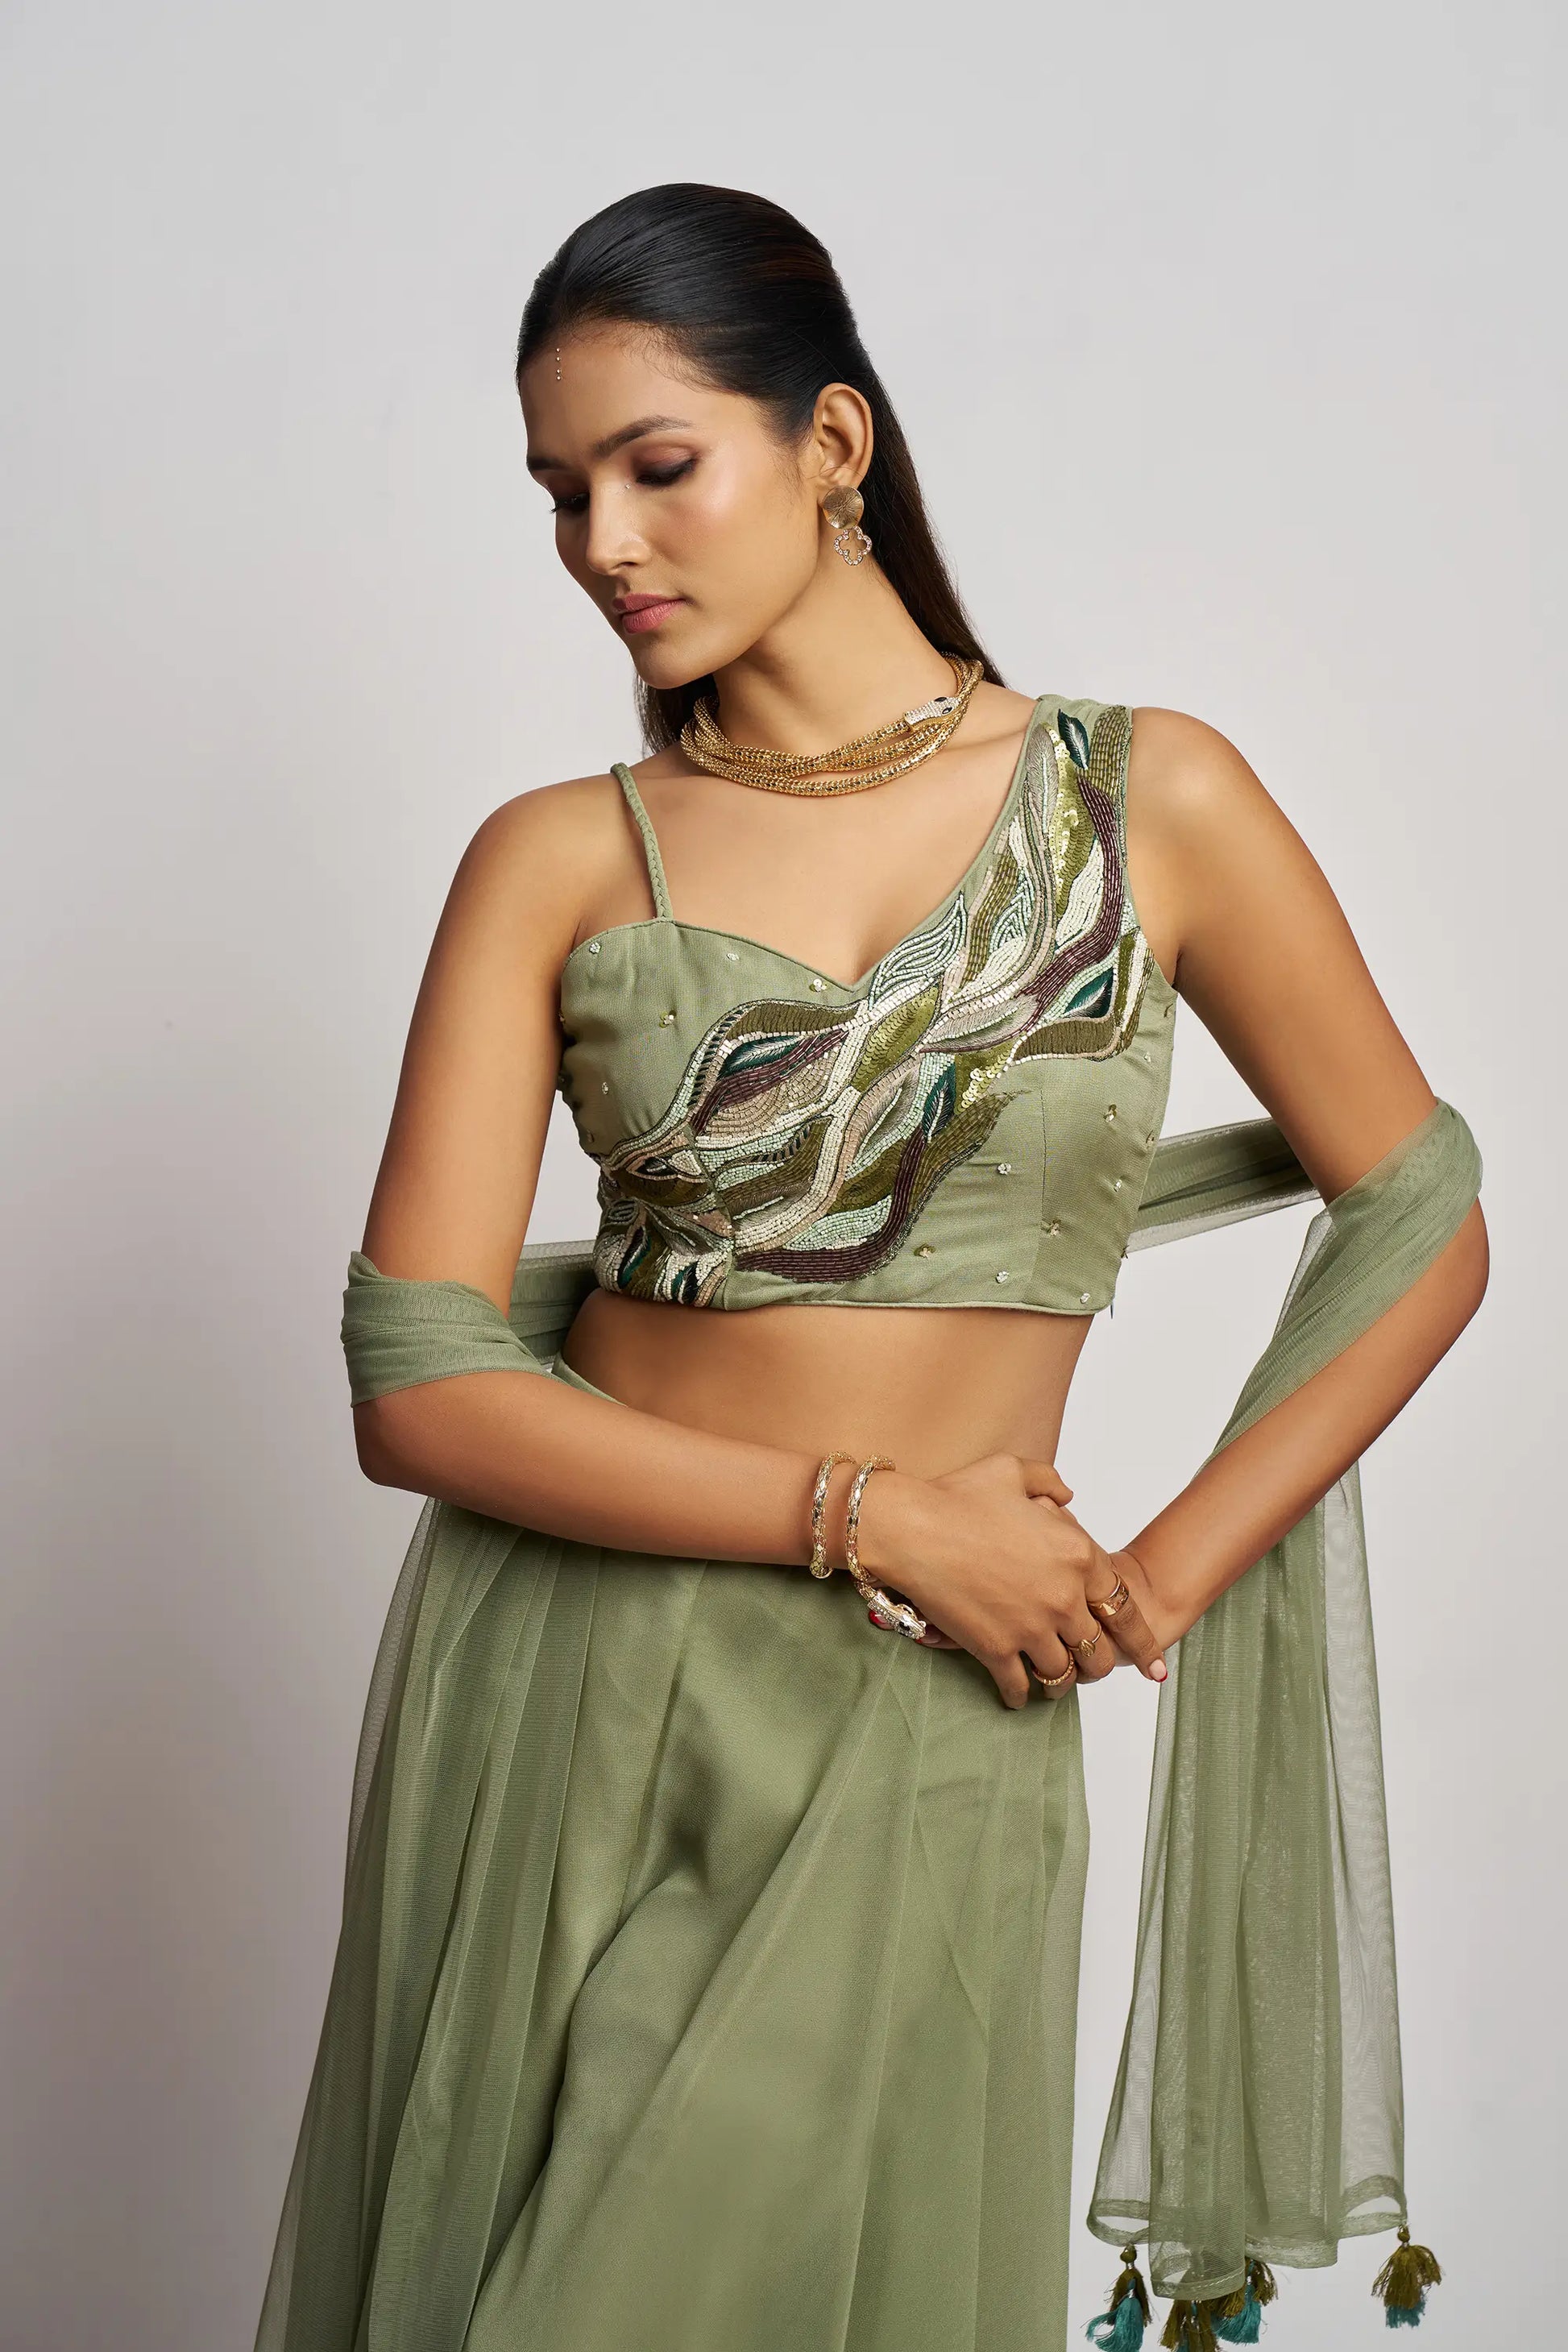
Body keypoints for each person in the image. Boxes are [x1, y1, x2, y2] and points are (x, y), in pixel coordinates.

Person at [252, 184, 1487, 2351]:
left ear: (832, 443)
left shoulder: (1149, 801)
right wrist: (870, 1514)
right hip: (578, 1678)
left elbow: (1422, 1209)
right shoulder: (557, 859)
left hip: (944, 1686)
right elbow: (419, 1384)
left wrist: (1147, 1584)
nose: (602, 543)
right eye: (559, 494)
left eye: (658, 466)